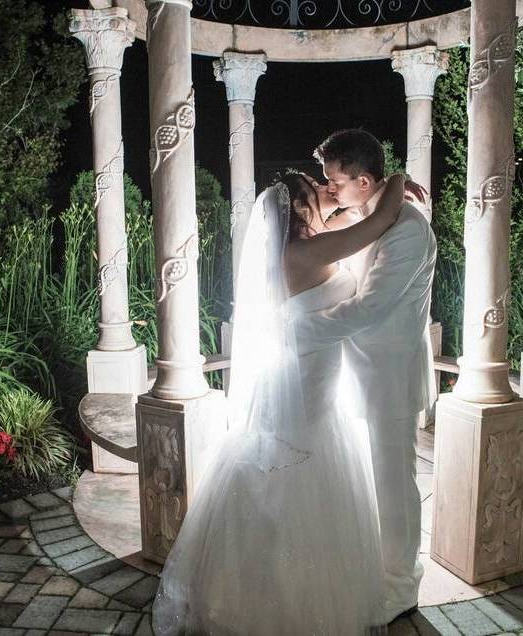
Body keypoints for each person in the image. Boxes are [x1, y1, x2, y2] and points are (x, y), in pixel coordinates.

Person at [151, 169, 417, 635]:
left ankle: (261, 589)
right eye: (317, 190)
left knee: (284, 479)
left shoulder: (300, 246)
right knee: (298, 480)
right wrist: (396, 178)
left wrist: (337, 199)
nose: (328, 193)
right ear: (297, 209)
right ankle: (285, 604)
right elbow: (376, 224)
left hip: (308, 381)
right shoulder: (309, 251)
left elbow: (346, 218)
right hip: (306, 385)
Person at [297, 128, 438, 621]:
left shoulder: (408, 230)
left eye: (334, 181)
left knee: (395, 487)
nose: (329, 190)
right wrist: (398, 181)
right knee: (369, 483)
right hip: (356, 373)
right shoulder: (370, 213)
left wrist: (298, 332)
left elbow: (370, 308)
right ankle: (372, 567)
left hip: (390, 379)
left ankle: (402, 587)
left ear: (361, 179)